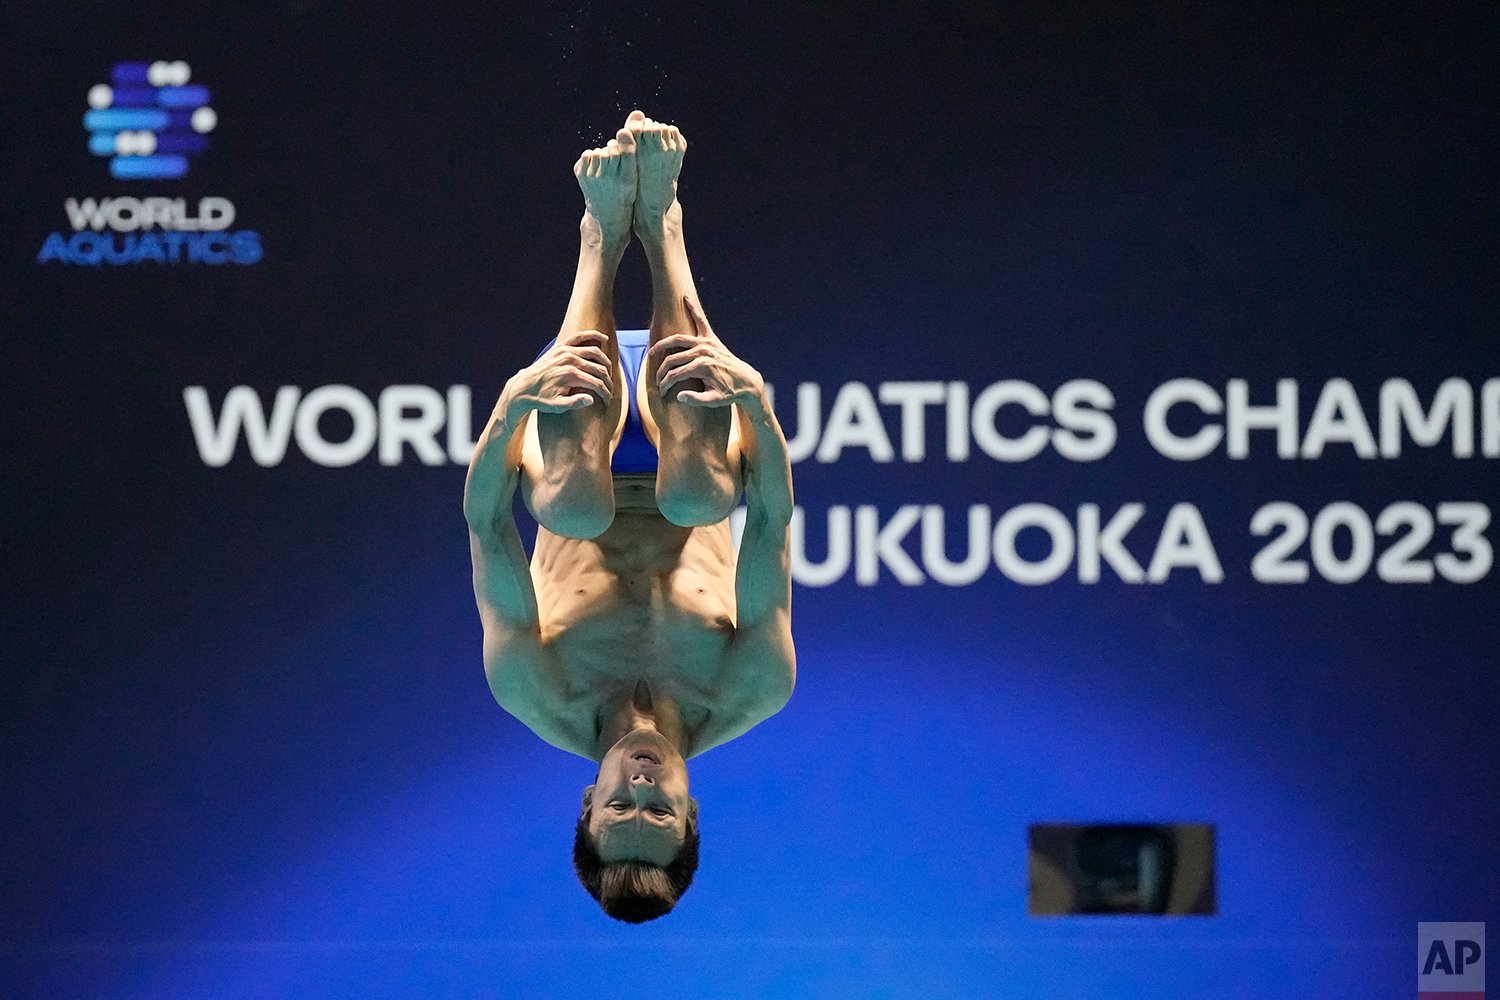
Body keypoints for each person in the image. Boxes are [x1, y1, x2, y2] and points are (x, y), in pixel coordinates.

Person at [462, 111, 795, 923]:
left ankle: (600, 237)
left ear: (587, 805)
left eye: (621, 811)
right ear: (691, 814)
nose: (641, 791)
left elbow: (486, 525)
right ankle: (663, 225)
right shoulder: (753, 686)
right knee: (703, 497)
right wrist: (754, 397)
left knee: (573, 505)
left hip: (586, 413)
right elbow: (773, 519)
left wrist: (511, 405)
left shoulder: (531, 686)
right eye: (659, 813)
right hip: (693, 414)